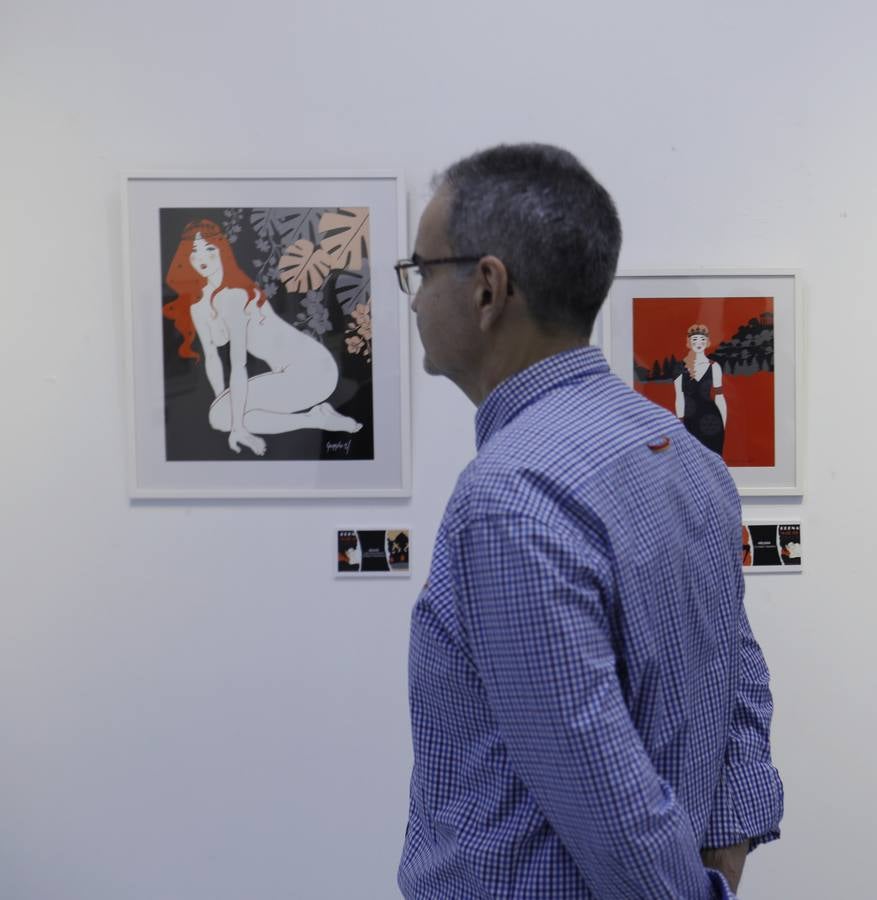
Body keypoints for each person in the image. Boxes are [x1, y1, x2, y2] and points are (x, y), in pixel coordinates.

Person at [397, 144, 783, 900]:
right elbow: (741, 685)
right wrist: (721, 861)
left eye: (420, 271)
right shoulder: (682, 452)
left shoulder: (509, 497)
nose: (411, 299)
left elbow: (607, 798)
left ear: (487, 288)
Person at [162, 220, 361, 455]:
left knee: (222, 417)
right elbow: (212, 358)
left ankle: (319, 419)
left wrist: (236, 422)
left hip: (313, 370)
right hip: (288, 376)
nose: (200, 257)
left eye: (209, 249)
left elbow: (239, 363)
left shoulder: (235, 296)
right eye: (193, 251)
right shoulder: (199, 308)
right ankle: (317, 418)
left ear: (222, 251)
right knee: (220, 416)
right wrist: (221, 403)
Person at [674, 323, 727, 455]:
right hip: (689, 422)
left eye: (702, 339)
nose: (699, 343)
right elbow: (679, 397)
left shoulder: (714, 366)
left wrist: (723, 424)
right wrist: (680, 423)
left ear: (708, 342)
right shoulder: (680, 368)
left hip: (712, 423)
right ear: (689, 342)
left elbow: (719, 396)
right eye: (695, 339)